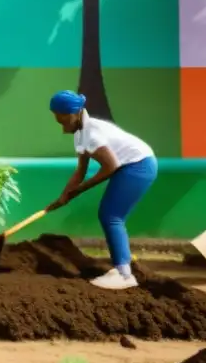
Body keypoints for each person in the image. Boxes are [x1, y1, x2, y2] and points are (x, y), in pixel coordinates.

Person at [46, 90, 158, 290]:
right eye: (58, 122)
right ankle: (123, 267)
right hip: (129, 165)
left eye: (64, 121)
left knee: (111, 215)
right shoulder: (80, 133)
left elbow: (110, 167)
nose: (63, 128)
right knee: (110, 214)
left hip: (139, 165)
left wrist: (78, 191)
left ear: (76, 113)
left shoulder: (92, 134)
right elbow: (81, 171)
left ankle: (124, 275)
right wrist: (65, 195)